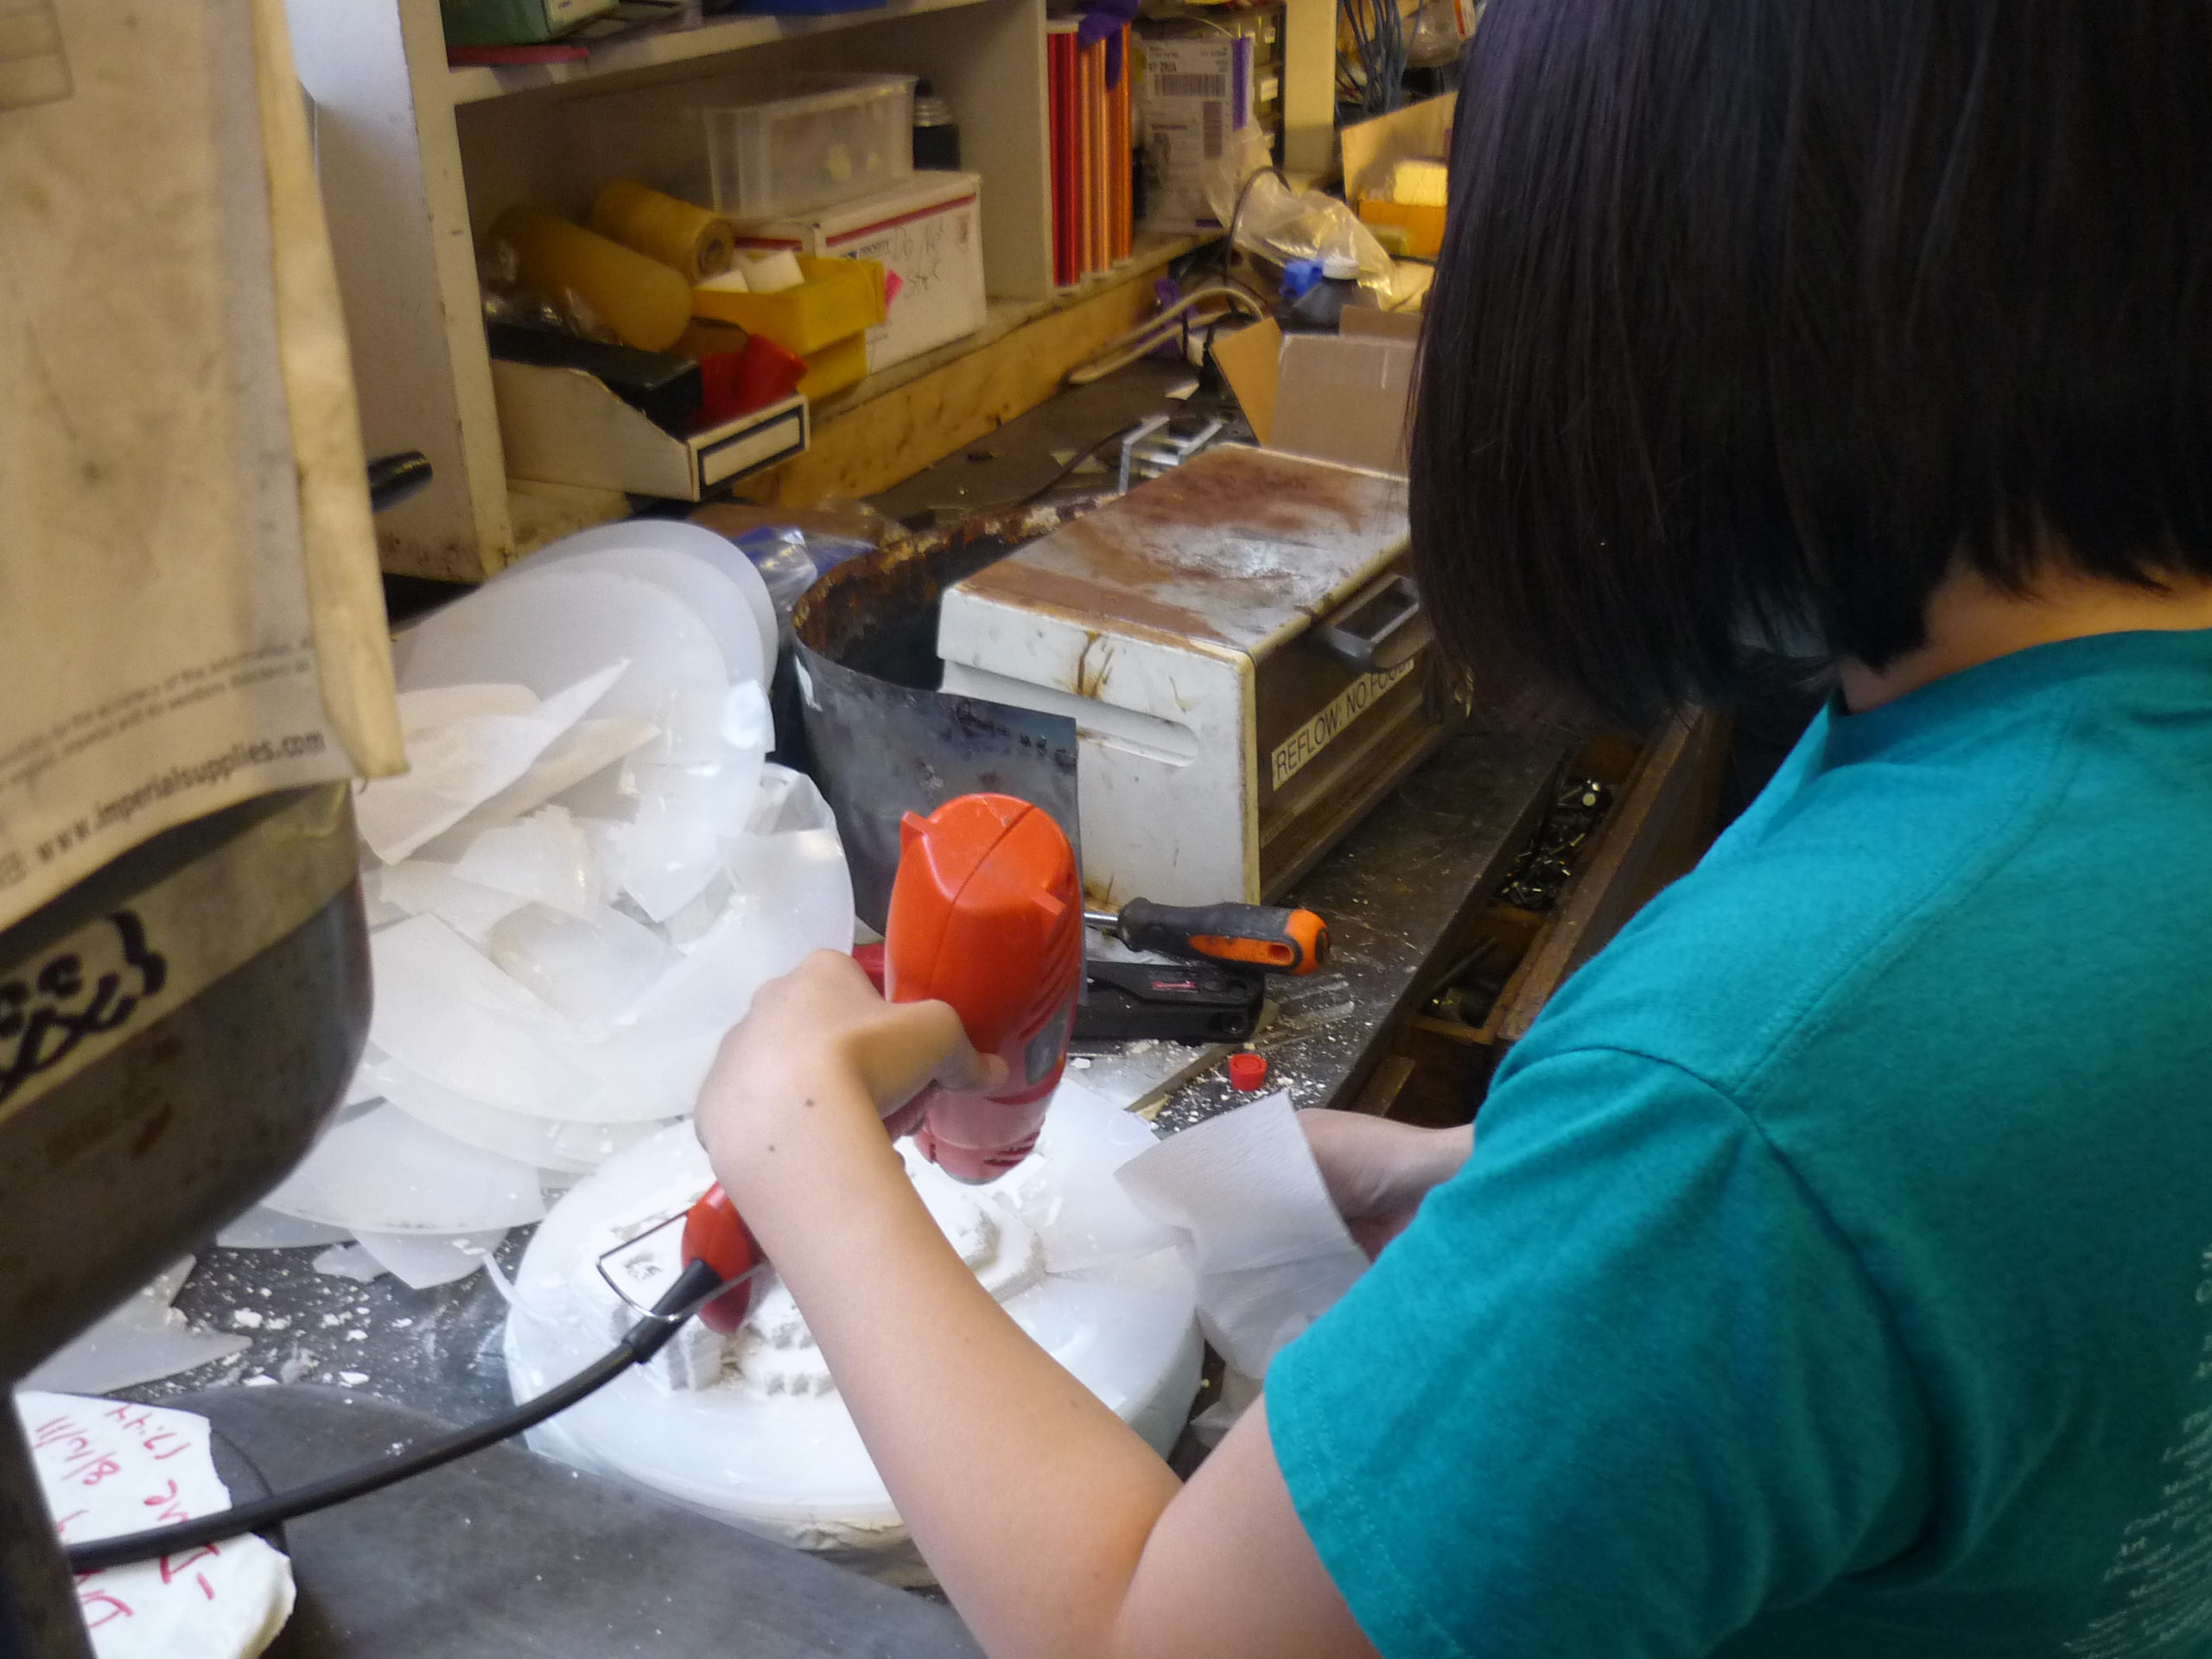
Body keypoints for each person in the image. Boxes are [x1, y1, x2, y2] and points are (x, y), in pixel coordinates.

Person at [694, 1, 2212, 1652]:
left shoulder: (1744, 1111)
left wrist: (799, 1148)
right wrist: (1519, 1183)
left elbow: (1152, 1640)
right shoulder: (2034, 764)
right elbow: (2034, 1174)